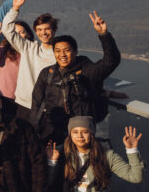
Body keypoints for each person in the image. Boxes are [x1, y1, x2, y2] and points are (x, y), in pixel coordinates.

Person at [31, 11, 120, 145]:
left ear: (75, 51)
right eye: (58, 51)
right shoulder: (47, 73)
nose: (62, 54)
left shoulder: (88, 71)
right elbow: (36, 102)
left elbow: (111, 61)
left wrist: (104, 35)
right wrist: (35, 128)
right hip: (52, 130)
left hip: (81, 132)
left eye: (67, 50)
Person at [0, 0, 59, 120]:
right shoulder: (28, 47)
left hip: (49, 108)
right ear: (36, 32)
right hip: (24, 105)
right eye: (39, 30)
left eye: (47, 29)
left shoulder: (61, 55)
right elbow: (6, 29)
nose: (43, 33)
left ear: (54, 30)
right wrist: (15, 8)